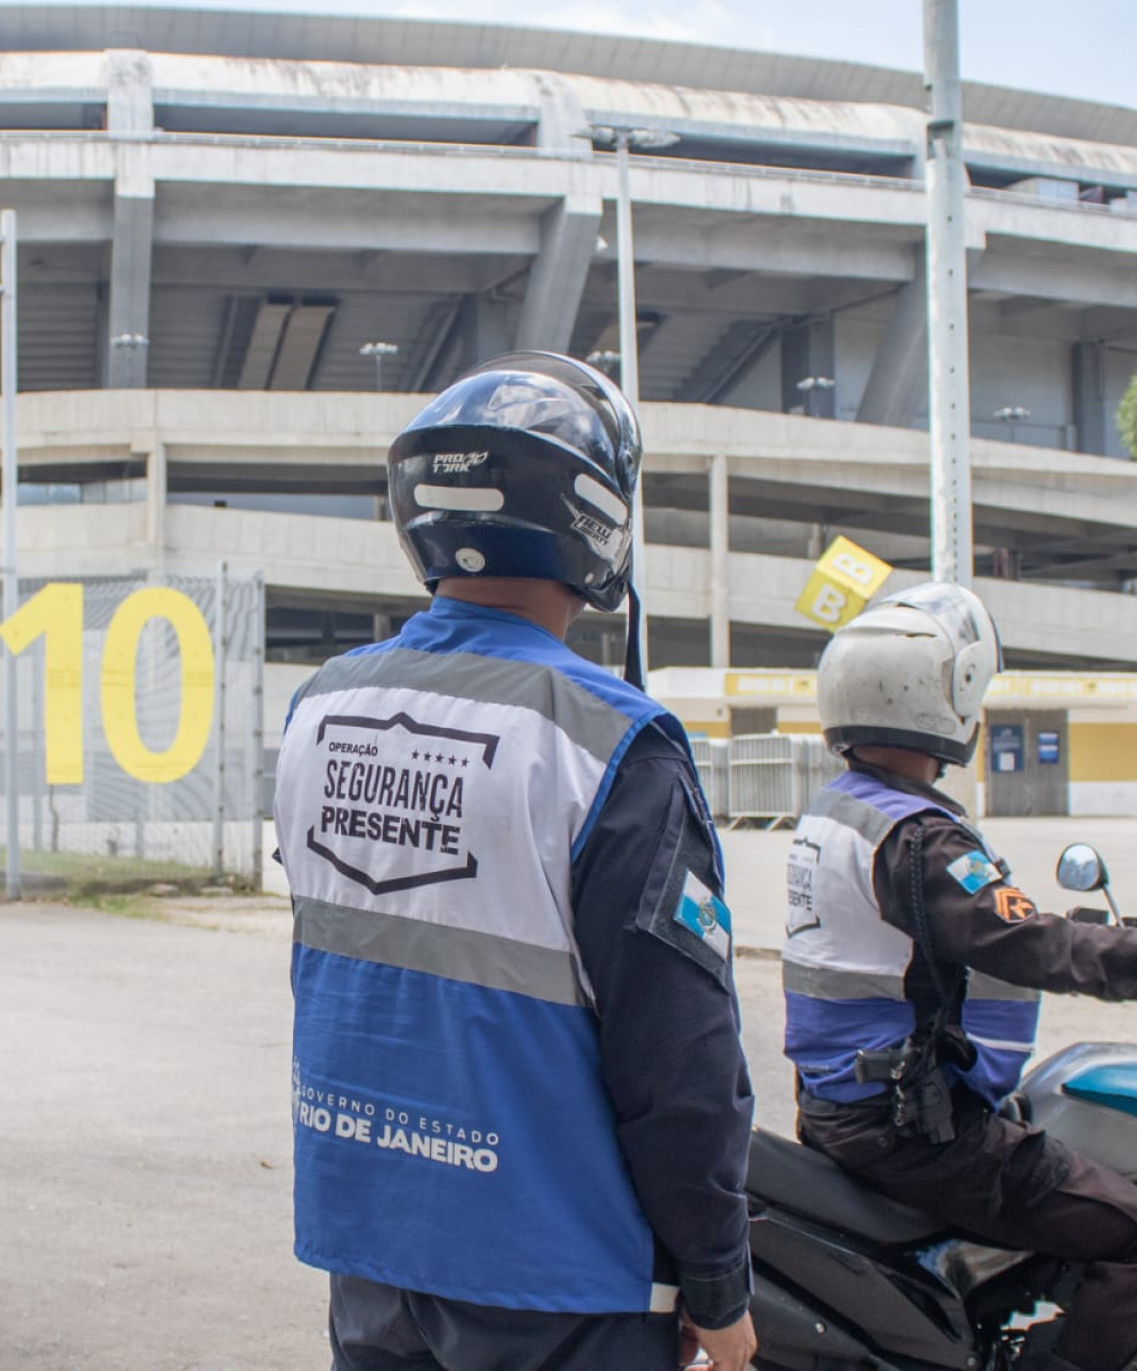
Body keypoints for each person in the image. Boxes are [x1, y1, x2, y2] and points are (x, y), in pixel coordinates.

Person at [274, 352, 757, 1371]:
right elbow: (679, 1062)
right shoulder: (607, 743)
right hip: (556, 1280)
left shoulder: (321, 707)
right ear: (597, 523)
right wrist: (718, 1282)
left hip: (371, 1255)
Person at [781, 582, 1137, 1371]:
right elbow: (1042, 948)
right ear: (945, 699)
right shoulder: (923, 840)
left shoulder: (847, 808)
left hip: (848, 1107)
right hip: (912, 1131)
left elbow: (1014, 925)